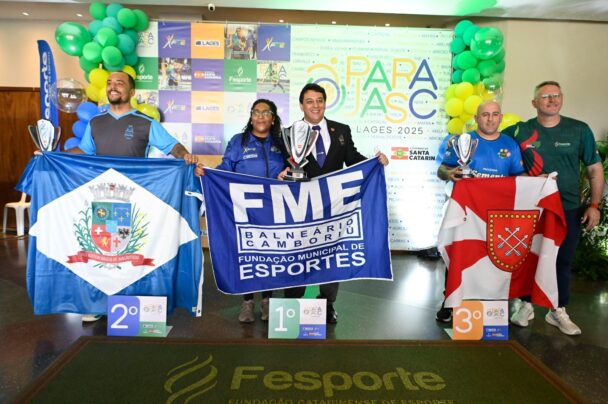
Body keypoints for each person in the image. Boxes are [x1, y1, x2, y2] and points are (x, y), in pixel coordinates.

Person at [67, 70, 201, 321]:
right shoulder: (96, 122)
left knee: (129, 253)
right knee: (101, 253)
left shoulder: (144, 123)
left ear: (131, 91)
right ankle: (99, 304)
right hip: (102, 198)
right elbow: (84, 151)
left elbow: (173, 146)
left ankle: (131, 302)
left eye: (119, 83)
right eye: (109, 83)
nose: (113, 86)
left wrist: (185, 156)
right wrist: (51, 154)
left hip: (132, 200)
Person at [281, 83, 389, 324]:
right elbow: (283, 165)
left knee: (331, 255)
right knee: (297, 254)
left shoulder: (341, 130)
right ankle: (291, 304)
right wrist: (281, 172)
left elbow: (352, 159)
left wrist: (375, 162)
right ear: (301, 105)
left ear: (325, 103)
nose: (315, 105)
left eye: (319, 100)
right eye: (309, 101)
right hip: (300, 206)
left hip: (334, 206)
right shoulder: (288, 132)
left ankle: (327, 304)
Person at [506, 81, 603, 336]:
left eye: (556, 95)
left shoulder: (579, 130)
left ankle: (557, 310)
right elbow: (493, 146)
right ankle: (526, 305)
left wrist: (594, 205)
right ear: (534, 103)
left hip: (568, 208)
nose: (552, 100)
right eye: (545, 96)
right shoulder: (520, 131)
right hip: (532, 209)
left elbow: (594, 169)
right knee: (528, 258)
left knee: (563, 260)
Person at [435, 100, 525, 322]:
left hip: (497, 215)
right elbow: (442, 170)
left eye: (495, 114)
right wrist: (449, 174)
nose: (490, 119)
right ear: (476, 118)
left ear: (500, 117)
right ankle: (449, 303)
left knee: (493, 260)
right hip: (466, 213)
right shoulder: (461, 141)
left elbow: (519, 178)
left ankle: (490, 306)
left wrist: (539, 185)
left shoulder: (510, 145)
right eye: (485, 114)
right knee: (458, 255)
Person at [215, 99, 287, 323]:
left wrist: (287, 174)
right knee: (247, 256)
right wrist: (208, 174)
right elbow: (225, 168)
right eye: (256, 112)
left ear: (273, 118)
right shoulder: (239, 141)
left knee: (269, 255)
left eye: (266, 112)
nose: (260, 116)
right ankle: (247, 302)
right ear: (251, 116)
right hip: (244, 209)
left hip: (273, 208)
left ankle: (267, 300)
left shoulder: (282, 142)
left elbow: (293, 167)